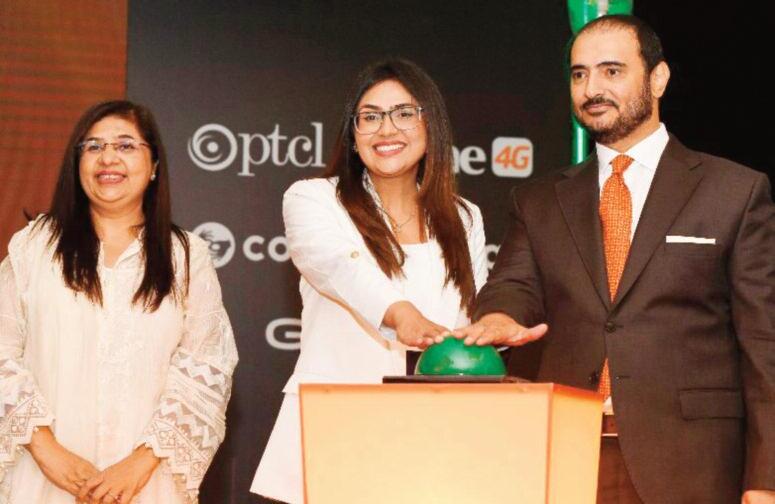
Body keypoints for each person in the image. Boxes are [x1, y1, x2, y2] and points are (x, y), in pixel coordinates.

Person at [454, 14, 775, 504]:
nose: (592, 89)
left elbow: (763, 343)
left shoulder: (734, 191)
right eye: (579, 74)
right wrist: (499, 316)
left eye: (611, 71)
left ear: (658, 78)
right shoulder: (539, 200)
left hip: (693, 465)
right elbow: (513, 285)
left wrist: (766, 477)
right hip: (563, 455)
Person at [251, 58, 488, 503]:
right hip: (336, 426)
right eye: (371, 116)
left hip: (438, 432)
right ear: (353, 133)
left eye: (404, 113)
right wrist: (401, 315)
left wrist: (495, 326)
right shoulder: (314, 198)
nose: (386, 129)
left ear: (430, 124)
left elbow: (472, 315)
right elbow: (341, 267)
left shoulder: (464, 217)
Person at [0, 100, 238, 504]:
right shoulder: (34, 247)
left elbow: (207, 368)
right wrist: (47, 450)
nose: (108, 157)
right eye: (93, 146)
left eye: (126, 145)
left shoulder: (185, 256)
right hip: (44, 478)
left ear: (154, 165)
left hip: (147, 484)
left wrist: (140, 464)